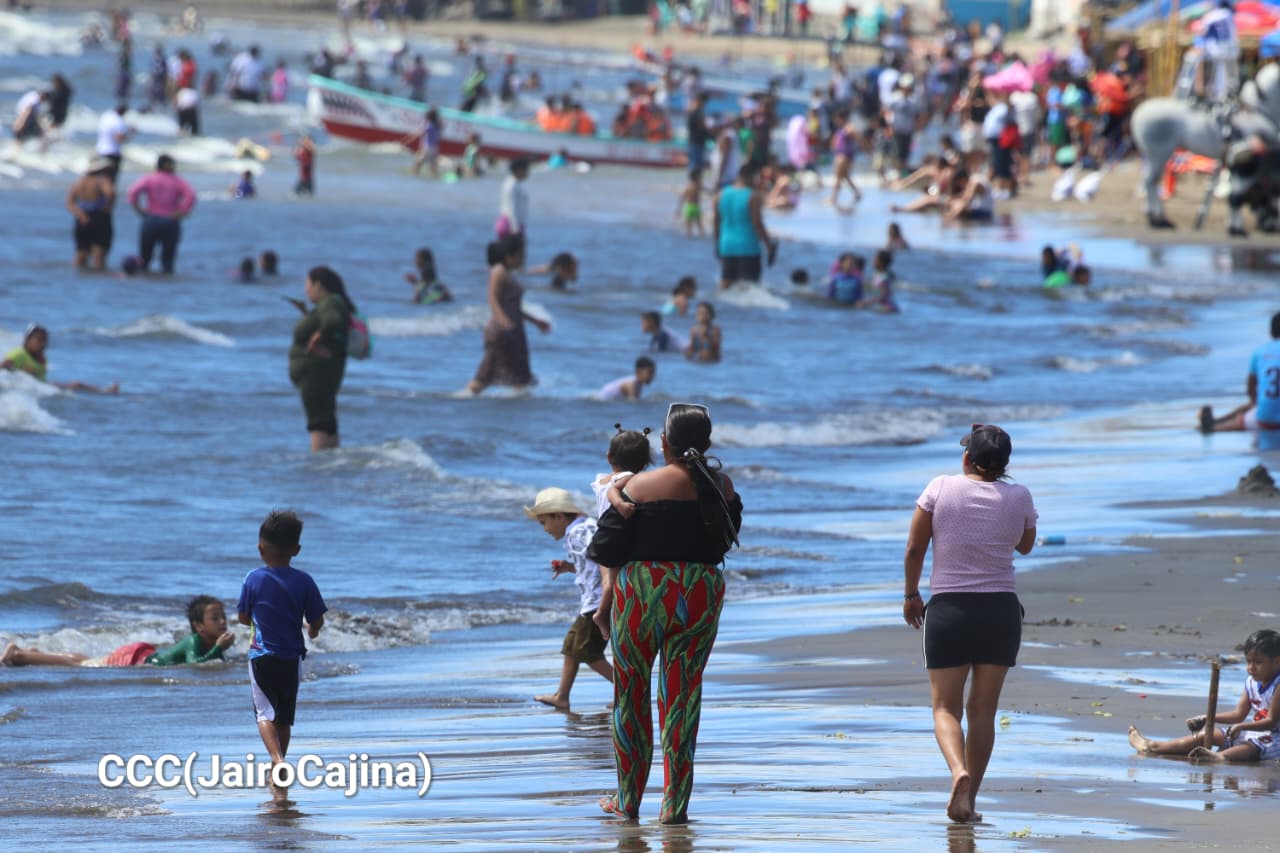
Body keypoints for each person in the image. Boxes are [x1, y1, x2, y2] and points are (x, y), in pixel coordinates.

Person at [588, 402, 742, 823]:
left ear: (665, 443)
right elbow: (727, 540)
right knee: (682, 696)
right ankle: (674, 805)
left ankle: (627, 799)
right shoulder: (722, 487)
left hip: (644, 592)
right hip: (700, 592)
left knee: (631, 694)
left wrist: (616, 493)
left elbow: (604, 549)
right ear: (707, 442)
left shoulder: (638, 487)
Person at [902, 424, 1038, 823]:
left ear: (967, 458)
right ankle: (970, 798)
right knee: (982, 711)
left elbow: (915, 546)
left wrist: (911, 594)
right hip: (999, 611)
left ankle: (957, 771)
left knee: (945, 708)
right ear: (1005, 464)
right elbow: (1025, 545)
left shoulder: (940, 487)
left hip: (950, 611)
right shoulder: (1019, 495)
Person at [237, 509, 327, 801]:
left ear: (260, 548)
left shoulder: (253, 579)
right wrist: (312, 631)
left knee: (264, 713)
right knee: (284, 717)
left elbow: (242, 616)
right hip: (292, 658)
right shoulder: (305, 581)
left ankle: (277, 762)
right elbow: (316, 619)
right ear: (296, 550)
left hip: (262, 656)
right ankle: (279, 764)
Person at [1128, 629, 1280, 762]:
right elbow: (1238, 714)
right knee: (1207, 734)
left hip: (1275, 738)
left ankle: (1220, 757)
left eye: (1258, 663)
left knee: (1252, 746)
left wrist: (1241, 727)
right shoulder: (1251, 683)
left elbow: (1271, 722)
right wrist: (1208, 718)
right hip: (1255, 732)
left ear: (1277, 662)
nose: (1251, 668)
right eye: (1248, 662)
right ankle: (1153, 746)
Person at [525, 488, 613, 710]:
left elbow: (603, 557)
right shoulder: (581, 529)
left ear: (559, 516)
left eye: (544, 522)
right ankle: (561, 696)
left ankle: (627, 690)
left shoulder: (579, 532)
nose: (545, 529)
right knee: (571, 647)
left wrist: (606, 594)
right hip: (593, 600)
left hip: (597, 602)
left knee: (586, 651)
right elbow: (591, 564)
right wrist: (570, 567)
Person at [2, 595, 234, 667]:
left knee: (84, 661)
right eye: (215, 618)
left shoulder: (205, 642)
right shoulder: (194, 641)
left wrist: (218, 651)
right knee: (82, 664)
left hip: (143, 656)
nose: (222, 621)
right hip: (135, 659)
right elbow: (196, 665)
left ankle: (33, 654)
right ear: (198, 626)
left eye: (223, 617)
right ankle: (18, 655)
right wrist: (218, 648)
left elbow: (211, 661)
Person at [467, 236, 550, 394]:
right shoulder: (499, 272)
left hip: (513, 332)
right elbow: (492, 298)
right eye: (521, 255)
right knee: (486, 378)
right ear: (509, 256)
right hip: (502, 332)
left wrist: (536, 321)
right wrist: (503, 320)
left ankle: (518, 414)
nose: (523, 258)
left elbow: (514, 308)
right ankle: (462, 402)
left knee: (518, 379)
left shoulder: (508, 274)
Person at [287, 266, 355, 451]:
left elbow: (333, 322)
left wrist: (318, 338)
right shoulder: (332, 303)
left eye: (307, 284)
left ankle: (319, 469)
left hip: (316, 375)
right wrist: (308, 316)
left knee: (318, 423)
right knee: (327, 421)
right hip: (323, 373)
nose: (305, 290)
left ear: (318, 285)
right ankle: (331, 464)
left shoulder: (330, 302)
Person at [1200, 312, 1280, 433]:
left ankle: (1216, 423)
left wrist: (1254, 402)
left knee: (1260, 402)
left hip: (1264, 420)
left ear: (1270, 333)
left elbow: (1250, 388)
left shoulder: (1259, 352)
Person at [126, 154, 196, 274]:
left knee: (145, 257)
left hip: (151, 219)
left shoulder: (149, 178)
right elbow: (191, 196)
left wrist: (138, 209)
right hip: (170, 220)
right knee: (168, 259)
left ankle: (145, 281)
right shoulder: (177, 180)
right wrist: (182, 211)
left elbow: (132, 192)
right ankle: (166, 281)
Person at [713, 166, 773, 290]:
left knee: (726, 286)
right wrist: (769, 244)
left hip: (727, 245)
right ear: (752, 177)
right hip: (748, 247)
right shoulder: (753, 196)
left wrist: (717, 243)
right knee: (750, 288)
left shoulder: (721, 194)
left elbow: (716, 222)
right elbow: (758, 223)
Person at [66, 157, 117, 271]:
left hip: (82, 218)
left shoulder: (79, 181)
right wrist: (107, 208)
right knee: (99, 254)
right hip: (99, 217)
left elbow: (69, 202)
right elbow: (110, 193)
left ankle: (77, 279)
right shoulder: (103, 180)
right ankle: (97, 282)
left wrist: (80, 214)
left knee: (80, 253)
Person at [828, 113, 863, 209]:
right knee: (845, 176)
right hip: (840, 154)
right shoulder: (840, 128)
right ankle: (857, 192)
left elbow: (858, 137)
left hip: (845, 156)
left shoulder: (848, 127)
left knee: (838, 176)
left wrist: (862, 147)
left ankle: (833, 197)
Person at [96, 104, 131, 183]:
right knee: (110, 180)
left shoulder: (106, 116)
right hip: (113, 153)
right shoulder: (119, 121)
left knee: (101, 178)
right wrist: (130, 133)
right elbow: (118, 139)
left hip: (100, 150)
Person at [496, 158, 530, 239]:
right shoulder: (512, 185)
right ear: (519, 170)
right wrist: (515, 229)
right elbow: (511, 207)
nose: (528, 173)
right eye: (526, 170)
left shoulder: (512, 182)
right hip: (510, 226)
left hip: (510, 224)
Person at [409, 109, 441, 177]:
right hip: (435, 148)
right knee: (433, 167)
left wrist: (409, 139)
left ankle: (412, 176)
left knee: (418, 164)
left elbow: (421, 133)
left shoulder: (429, 125)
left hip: (428, 148)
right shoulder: (437, 126)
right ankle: (436, 177)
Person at [686, 91, 711, 174]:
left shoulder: (694, 112)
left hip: (696, 142)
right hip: (696, 143)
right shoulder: (696, 113)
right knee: (696, 166)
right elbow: (702, 127)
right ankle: (694, 184)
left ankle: (695, 183)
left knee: (696, 165)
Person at [678, 168, 705, 238]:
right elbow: (708, 191)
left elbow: (682, 198)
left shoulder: (688, 186)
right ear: (696, 177)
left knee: (688, 229)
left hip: (689, 207)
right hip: (696, 207)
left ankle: (689, 240)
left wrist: (679, 209)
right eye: (699, 176)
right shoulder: (699, 185)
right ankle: (702, 239)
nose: (701, 177)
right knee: (700, 227)